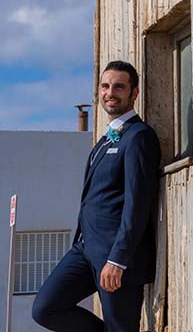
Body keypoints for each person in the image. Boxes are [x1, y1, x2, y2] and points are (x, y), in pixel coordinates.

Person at [32, 61, 160, 332]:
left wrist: (118, 259)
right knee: (45, 308)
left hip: (116, 255)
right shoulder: (105, 141)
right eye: (105, 86)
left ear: (134, 93)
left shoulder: (139, 137)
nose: (110, 92)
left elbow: (137, 204)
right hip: (85, 248)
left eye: (118, 87)